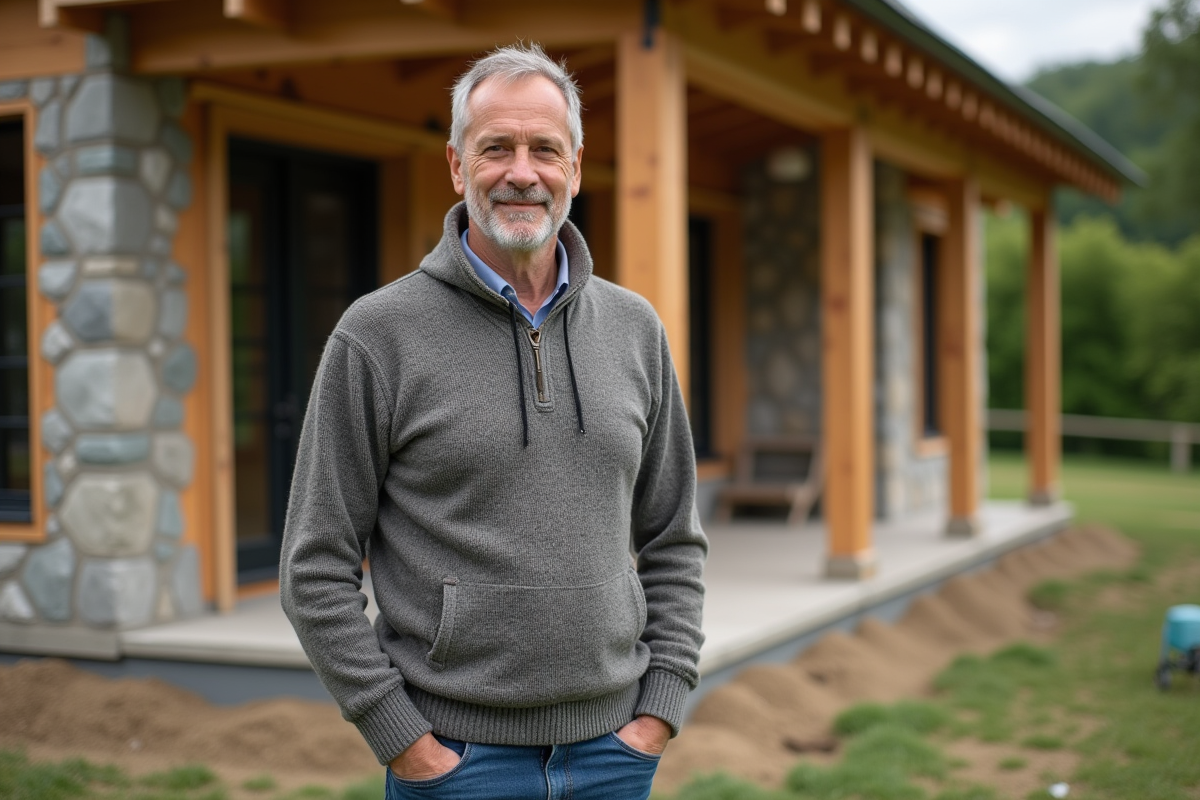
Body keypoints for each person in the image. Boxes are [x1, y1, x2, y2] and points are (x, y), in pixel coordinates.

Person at [280, 42, 707, 800]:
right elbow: (314, 566)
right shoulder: (377, 335)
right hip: (454, 760)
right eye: (496, 148)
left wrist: (658, 712)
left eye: (545, 149)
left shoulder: (637, 330)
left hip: (615, 756)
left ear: (574, 167)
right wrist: (403, 740)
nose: (521, 172)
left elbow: (674, 535)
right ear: (456, 166)